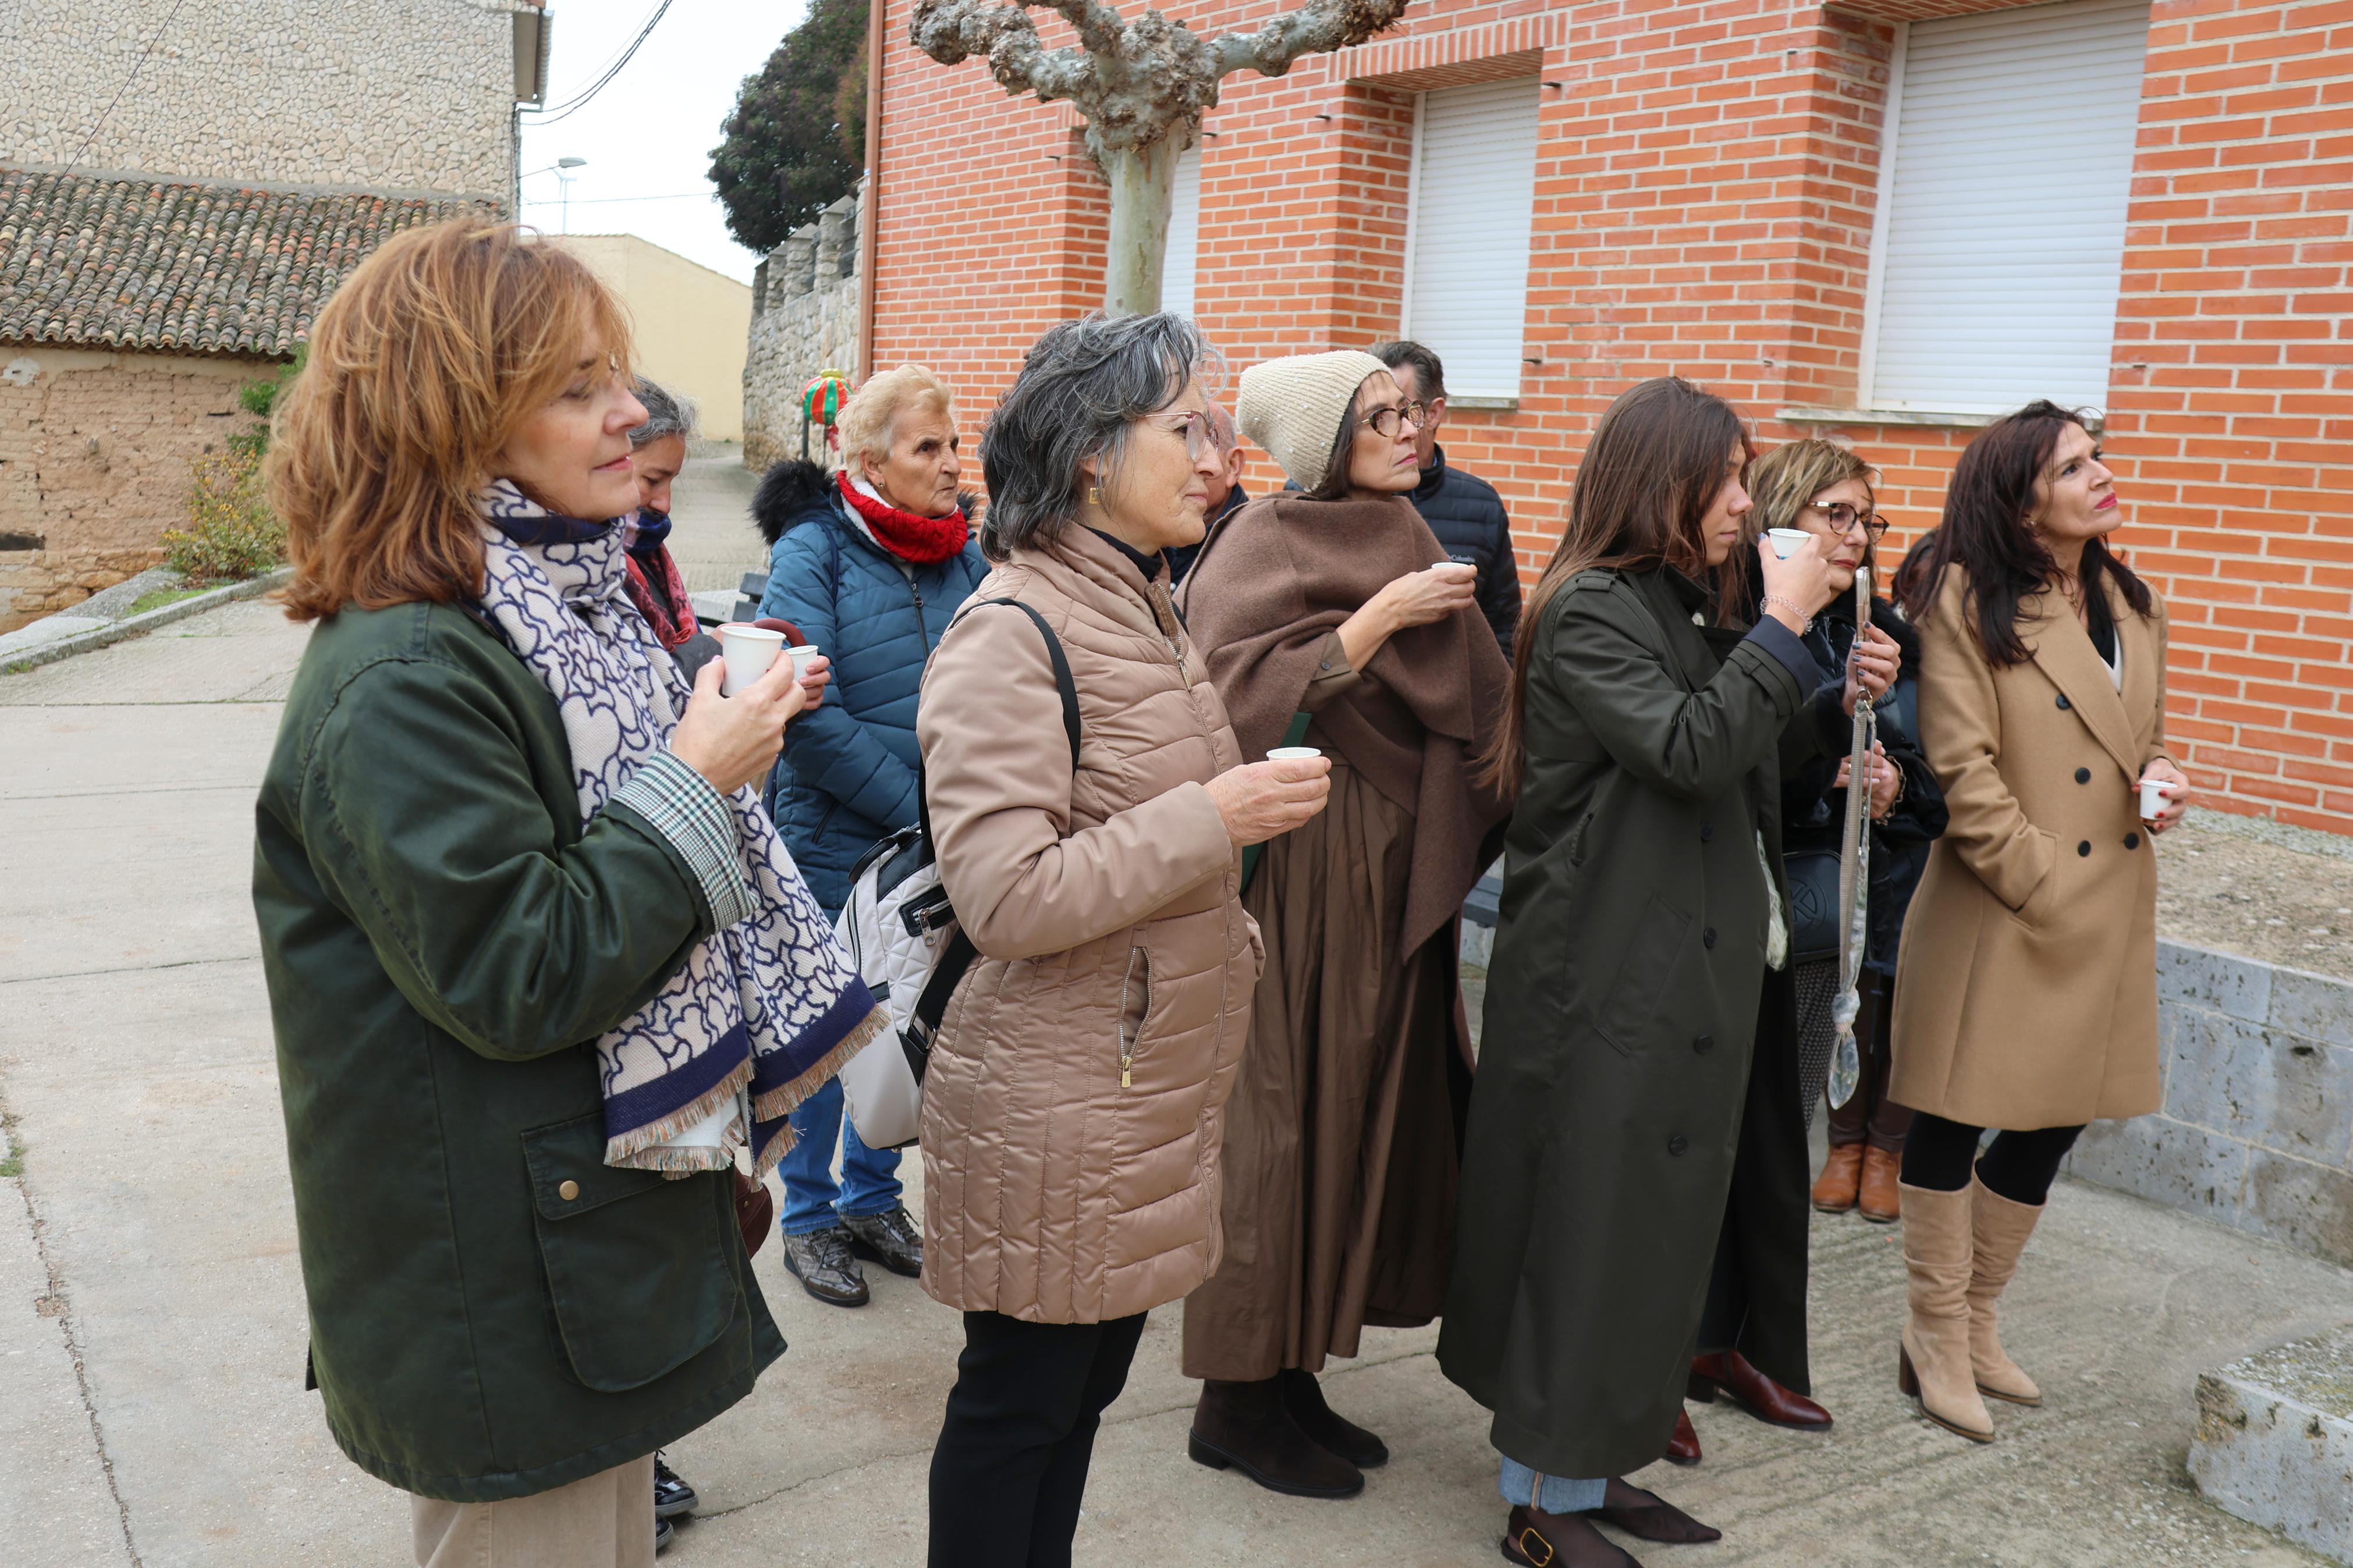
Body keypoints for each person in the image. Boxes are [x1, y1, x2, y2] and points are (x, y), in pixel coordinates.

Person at [250, 221, 866, 1567]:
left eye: (616, 377)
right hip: (506, 1273)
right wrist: (701, 784)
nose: (630, 413)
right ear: (455, 417)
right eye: (577, 385)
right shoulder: (412, 667)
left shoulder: (539, 609)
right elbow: (518, 974)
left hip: (567, 1245)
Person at [915, 311, 1332, 1568]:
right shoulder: (1012, 629)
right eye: (1183, 427)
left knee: (1074, 1401)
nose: (1215, 454)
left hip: (1130, 1090)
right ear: (1090, 455)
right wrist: (1213, 816)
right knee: (1019, 1408)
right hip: (1056, 1099)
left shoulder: (1142, 605)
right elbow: (1005, 896)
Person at [1438, 376, 1838, 1568]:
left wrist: (1821, 675)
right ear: (1655, 483)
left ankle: (1593, 1464)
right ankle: (1537, 1504)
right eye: (1720, 479)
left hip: (1672, 972)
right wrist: (1775, 629)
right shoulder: (1587, 609)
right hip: (1595, 982)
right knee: (1584, 1232)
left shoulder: (1677, 603)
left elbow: (1744, 753)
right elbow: (1684, 746)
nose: (1738, 501)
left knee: (1650, 1238)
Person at [1175, 350, 1510, 1500]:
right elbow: (1219, 699)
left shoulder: (1403, 529)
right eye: (1382, 417)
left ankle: (1290, 1368)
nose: (1411, 430)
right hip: (1303, 873)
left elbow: (1476, 698)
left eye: (1413, 410)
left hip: (1386, 872)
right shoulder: (1261, 541)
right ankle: (1231, 1399)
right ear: (1327, 441)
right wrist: (1370, 625)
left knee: (1354, 1116)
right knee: (1277, 1126)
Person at [1890, 402, 2188, 1443]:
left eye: (2096, 455)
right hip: (2005, 904)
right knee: (1954, 1107)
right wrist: (2040, 883)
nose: (2100, 475)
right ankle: (1930, 1330)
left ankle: (1974, 1318)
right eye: (2072, 466)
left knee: (2054, 1116)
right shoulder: (1968, 598)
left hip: (2103, 904)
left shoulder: (2126, 596)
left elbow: (2139, 732)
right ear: (2022, 503)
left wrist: (2157, 770)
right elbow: (1959, 769)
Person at [754, 364, 988, 1307]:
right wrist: (924, 807)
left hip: (930, 842)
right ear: (868, 455)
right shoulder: (816, 550)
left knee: (901, 1025)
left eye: (952, 445)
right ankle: (808, 1220)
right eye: (925, 447)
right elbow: (806, 718)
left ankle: (869, 1197)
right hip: (832, 841)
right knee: (825, 1033)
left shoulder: (965, 553)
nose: (947, 465)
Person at [1740, 442, 1946, 1230]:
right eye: (1836, 513)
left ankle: (1865, 1154)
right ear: (1779, 514)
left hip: (1859, 900)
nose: (1856, 533)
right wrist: (1815, 751)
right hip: (1760, 898)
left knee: (1793, 1096)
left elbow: (1937, 781)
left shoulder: (1889, 635)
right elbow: (1723, 758)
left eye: (1866, 517)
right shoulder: (1745, 623)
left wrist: (1894, 786)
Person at [1370, 339, 1522, 655]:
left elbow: (1503, 627)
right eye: (1376, 415)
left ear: (1433, 413)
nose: (1391, 429)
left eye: (1400, 411)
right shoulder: (1321, 497)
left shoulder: (1481, 504)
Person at [620, 379, 718, 678]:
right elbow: (636, 684)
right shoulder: (584, 570)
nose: (665, 505)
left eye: (671, 481)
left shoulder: (646, 552)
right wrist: (711, 651)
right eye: (652, 480)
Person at [1163, 396, 1245, 586]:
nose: (1207, 466)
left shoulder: (1252, 555)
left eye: (1202, 442)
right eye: (1183, 440)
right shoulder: (1152, 535)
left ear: (1233, 465)